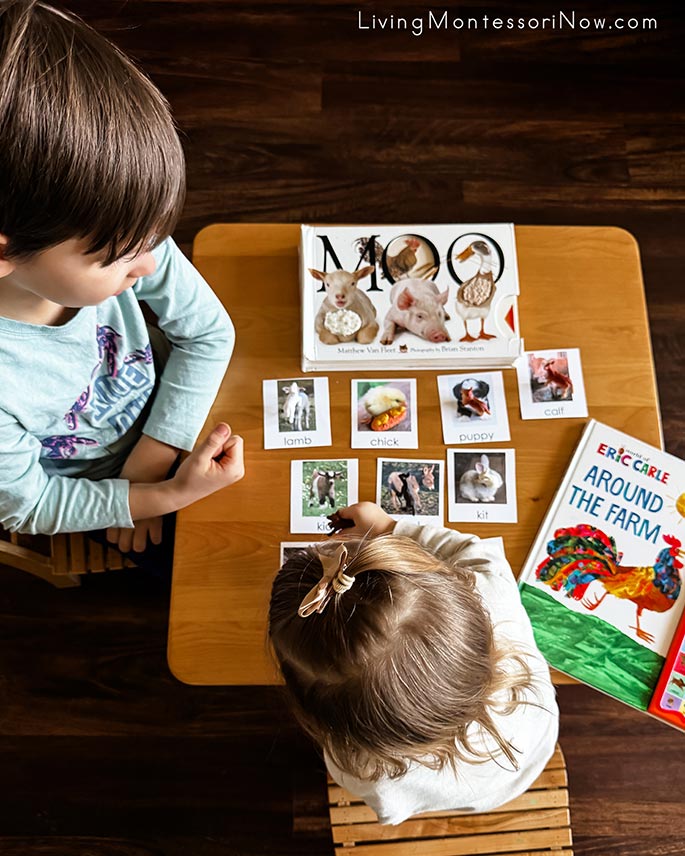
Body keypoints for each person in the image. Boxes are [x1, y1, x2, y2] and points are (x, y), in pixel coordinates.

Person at [0, 1, 244, 556]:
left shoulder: (114, 222)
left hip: (156, 446)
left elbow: (208, 332)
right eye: (119, 255)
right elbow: (31, 504)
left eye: (151, 238)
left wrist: (154, 460)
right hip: (93, 499)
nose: (150, 264)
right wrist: (155, 496)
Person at [269, 502, 558, 825]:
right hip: (533, 750)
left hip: (468, 788)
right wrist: (391, 528)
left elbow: (390, 812)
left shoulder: (363, 770)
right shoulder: (493, 594)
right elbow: (471, 549)